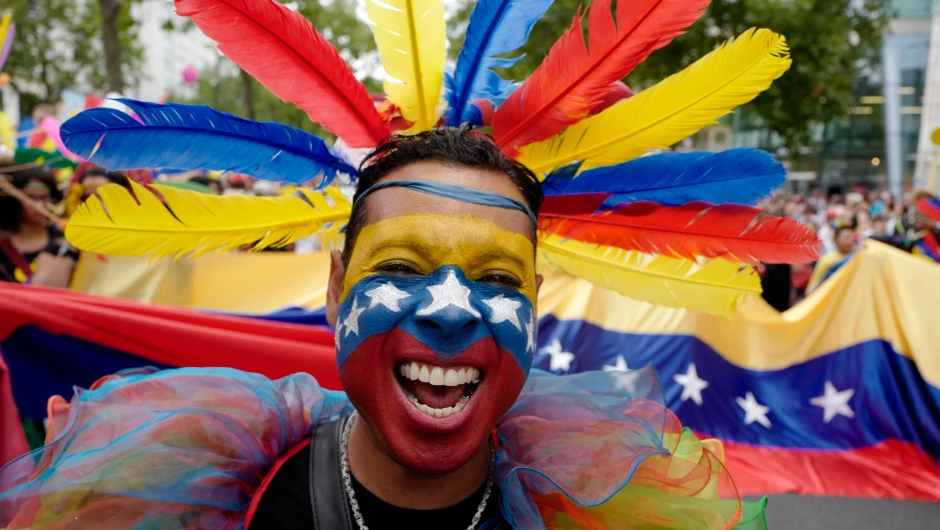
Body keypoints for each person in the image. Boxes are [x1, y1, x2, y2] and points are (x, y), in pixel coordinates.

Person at [0, 0, 818, 527]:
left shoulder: (599, 510)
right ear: (334, 288)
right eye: (403, 265)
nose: (453, 306)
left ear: (535, 303)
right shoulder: (210, 499)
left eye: (497, 280)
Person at [0, 165, 76, 286]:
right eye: (30, 197)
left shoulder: (65, 238)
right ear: (14, 199)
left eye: (44, 197)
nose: (38, 205)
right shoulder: (2, 243)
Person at [806, 225, 856, 293]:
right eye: (847, 237)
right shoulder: (827, 260)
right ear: (837, 239)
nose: (850, 240)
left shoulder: (856, 257)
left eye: (852, 237)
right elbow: (812, 287)